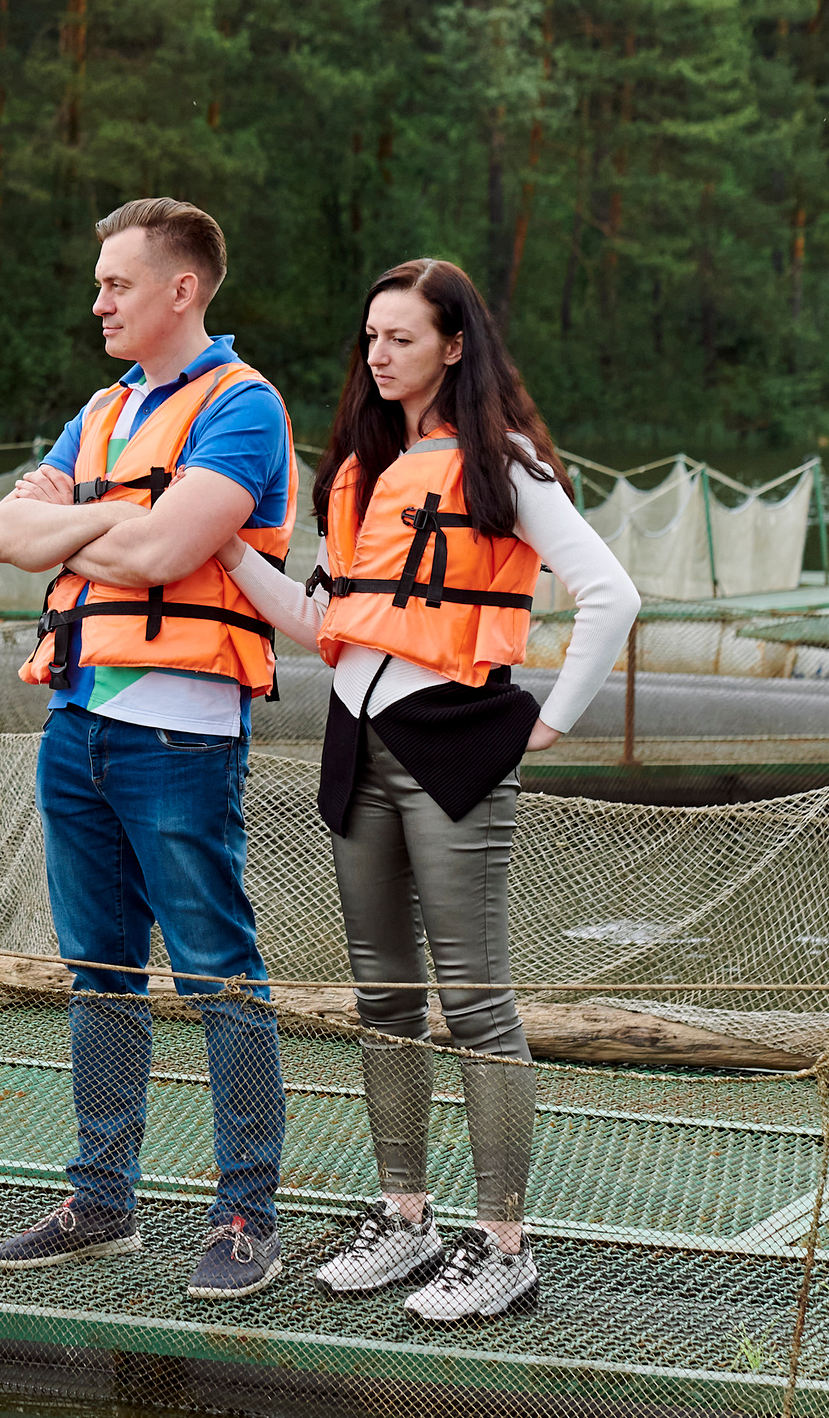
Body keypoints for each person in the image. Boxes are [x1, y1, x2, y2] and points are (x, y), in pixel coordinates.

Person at [217, 257, 635, 1324]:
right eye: (370, 338)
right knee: (383, 994)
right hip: (354, 739)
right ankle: (404, 1219)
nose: (378, 355)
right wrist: (222, 549)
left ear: (454, 344)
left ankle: (504, 1246)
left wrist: (547, 721)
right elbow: (324, 624)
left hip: (455, 742)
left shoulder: (507, 469)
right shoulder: (361, 472)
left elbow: (610, 595)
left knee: (476, 1001)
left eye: (400, 337)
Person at [0, 197, 298, 1302]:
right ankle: (101, 1204)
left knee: (218, 974)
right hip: (76, 725)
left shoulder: (244, 408)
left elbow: (169, 544)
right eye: (100, 282)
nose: (99, 300)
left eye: (118, 283)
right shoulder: (104, 409)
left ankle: (247, 1215)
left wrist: (84, 518)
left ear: (183, 289)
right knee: (97, 972)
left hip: (180, 731)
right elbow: (2, 538)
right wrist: (109, 522)